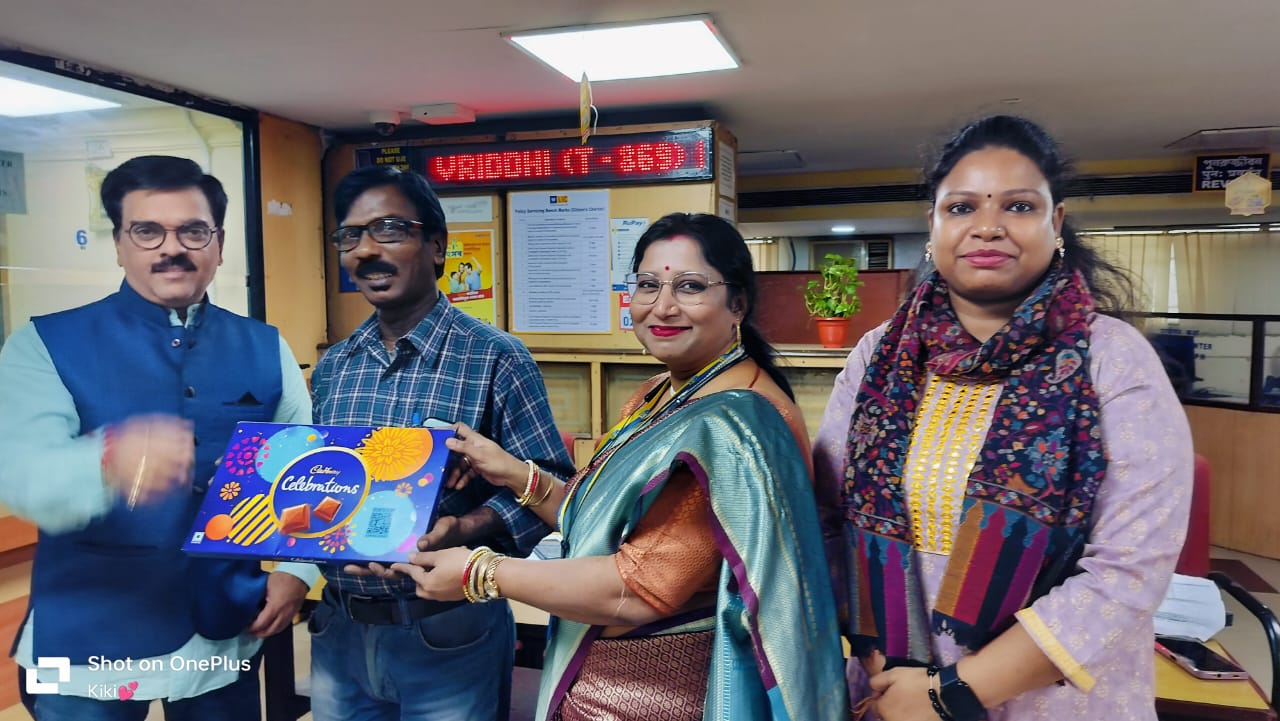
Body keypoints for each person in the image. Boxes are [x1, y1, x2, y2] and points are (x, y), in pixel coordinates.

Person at [391, 212, 847, 721]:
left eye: (691, 286)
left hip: (660, 691)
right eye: (648, 284)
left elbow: (638, 587)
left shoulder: (739, 422)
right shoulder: (661, 392)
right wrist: (514, 472)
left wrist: (482, 572)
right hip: (601, 672)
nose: (663, 306)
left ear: (737, 302)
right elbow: (602, 527)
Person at [813, 115, 1193, 721]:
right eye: (961, 208)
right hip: (892, 690)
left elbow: (1128, 573)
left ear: (1056, 222)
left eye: (1018, 206)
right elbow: (830, 522)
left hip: (1049, 698)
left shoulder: (1113, 360)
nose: (987, 227)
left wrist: (948, 695)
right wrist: (898, 680)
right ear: (932, 226)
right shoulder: (878, 355)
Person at [0, 155, 316, 721]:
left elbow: (310, 471)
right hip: (84, 633)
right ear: (120, 245)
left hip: (223, 627)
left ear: (218, 244)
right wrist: (108, 460)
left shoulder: (267, 347)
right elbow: (25, 480)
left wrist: (298, 572)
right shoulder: (42, 344)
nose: (172, 248)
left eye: (193, 230)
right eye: (147, 231)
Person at [308, 165, 575, 721]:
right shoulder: (335, 365)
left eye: (387, 229)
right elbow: (325, 482)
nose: (365, 251)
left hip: (448, 632)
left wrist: (464, 528)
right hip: (339, 628)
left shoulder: (497, 357)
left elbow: (555, 495)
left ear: (436, 246)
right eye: (350, 236)